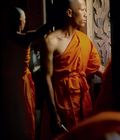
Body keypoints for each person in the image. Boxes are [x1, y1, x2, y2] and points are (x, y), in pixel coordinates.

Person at [40, 0, 104, 138]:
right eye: (82, 10)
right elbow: (46, 78)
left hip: (82, 99)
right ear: (69, 13)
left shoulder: (84, 40)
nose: (86, 14)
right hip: (60, 101)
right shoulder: (51, 41)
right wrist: (54, 113)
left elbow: (97, 67)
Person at [0, 7, 49, 140]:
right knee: (23, 121)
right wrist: (54, 18)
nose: (25, 22)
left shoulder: (4, 39)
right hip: (20, 86)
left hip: (6, 85)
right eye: (25, 19)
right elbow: (40, 32)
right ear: (20, 21)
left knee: (10, 120)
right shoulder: (23, 38)